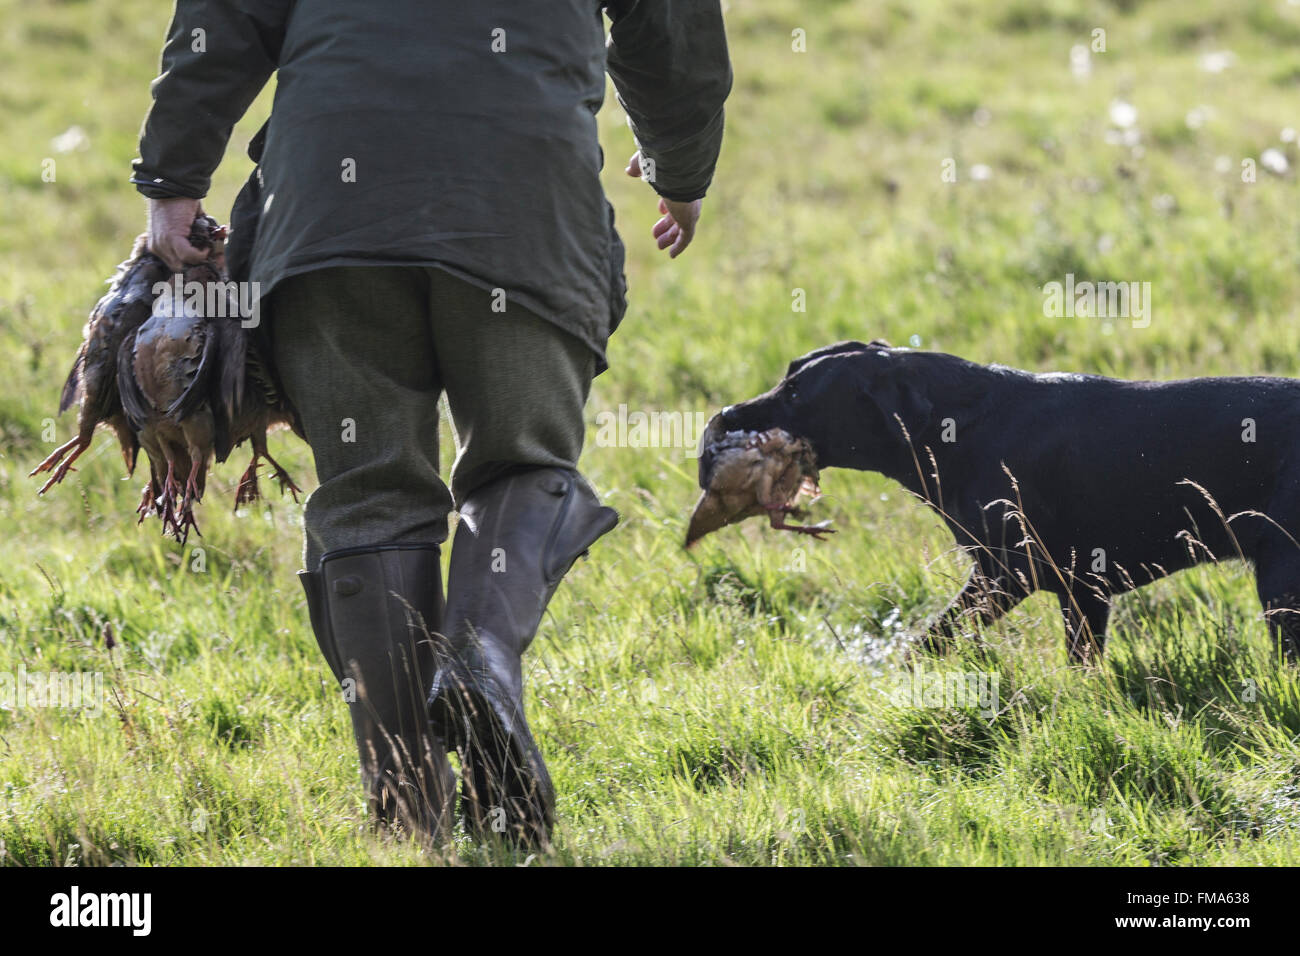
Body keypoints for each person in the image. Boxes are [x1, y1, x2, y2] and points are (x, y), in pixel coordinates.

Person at [132, 1, 731, 846]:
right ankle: (482, 659)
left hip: (332, 208)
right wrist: (681, 168)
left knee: (370, 495)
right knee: (524, 466)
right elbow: (670, 28)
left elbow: (224, 14)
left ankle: (409, 814)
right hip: (521, 207)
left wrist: (174, 178)